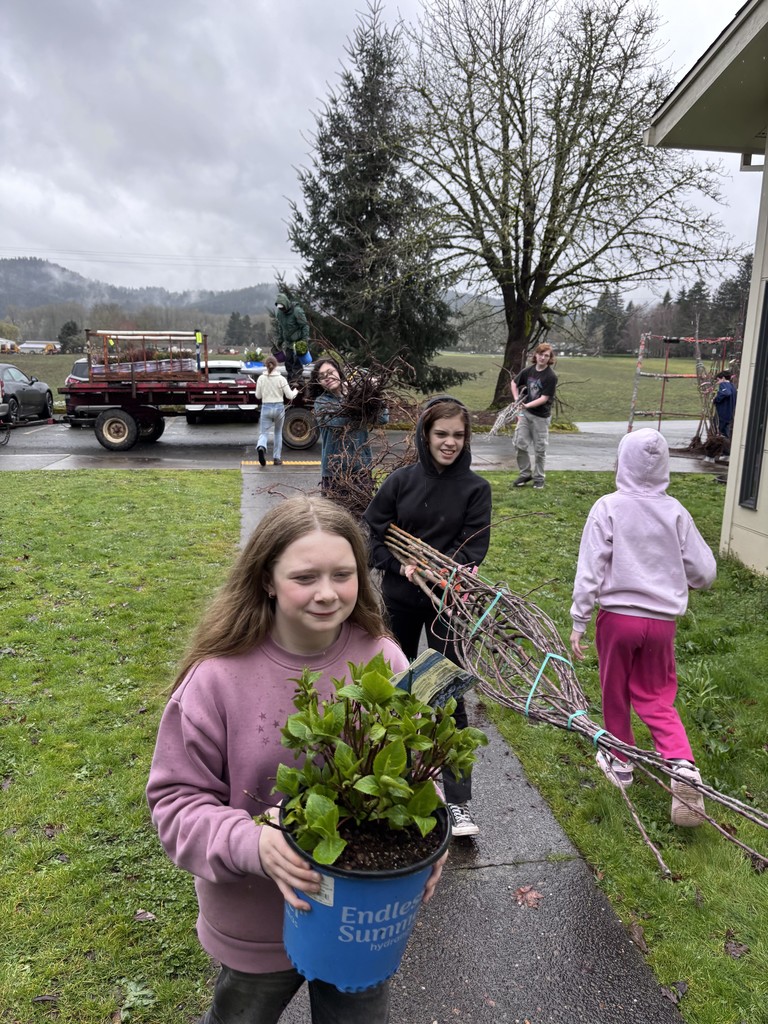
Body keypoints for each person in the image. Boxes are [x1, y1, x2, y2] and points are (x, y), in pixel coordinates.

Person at [146, 496, 446, 1024]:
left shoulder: (386, 659)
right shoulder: (217, 679)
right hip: (256, 923)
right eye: (304, 577)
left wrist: (431, 829)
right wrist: (253, 842)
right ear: (266, 578)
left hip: (360, 924)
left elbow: (418, 769)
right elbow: (176, 804)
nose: (328, 593)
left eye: (343, 574)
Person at [569, 428, 717, 827]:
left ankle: (620, 762)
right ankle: (682, 766)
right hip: (662, 624)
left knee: (614, 689)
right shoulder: (676, 513)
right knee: (656, 694)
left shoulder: (608, 507)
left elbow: (590, 569)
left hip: (617, 620)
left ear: (622, 462)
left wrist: (579, 620)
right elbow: (705, 571)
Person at [363, 397, 492, 838]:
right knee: (397, 690)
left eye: (458, 435)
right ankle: (394, 785)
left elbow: (472, 549)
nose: (450, 443)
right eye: (442, 434)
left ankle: (458, 803)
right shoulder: (399, 483)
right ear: (425, 435)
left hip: (446, 607)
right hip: (400, 600)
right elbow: (372, 534)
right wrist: (399, 566)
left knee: (448, 698)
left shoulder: (476, 490)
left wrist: (442, 572)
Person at [311, 357, 388, 508]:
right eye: (322, 377)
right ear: (318, 383)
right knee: (334, 522)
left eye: (330, 372)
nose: (327, 378)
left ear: (339, 372)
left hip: (361, 469)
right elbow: (336, 423)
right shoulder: (321, 403)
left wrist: (374, 393)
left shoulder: (360, 397)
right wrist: (355, 400)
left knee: (361, 517)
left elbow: (383, 418)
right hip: (334, 472)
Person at [510, 342, 558, 490]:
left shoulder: (551, 376)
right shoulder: (528, 371)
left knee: (540, 449)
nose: (543, 358)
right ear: (535, 355)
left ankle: (539, 478)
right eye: (540, 354)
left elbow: (544, 398)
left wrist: (526, 405)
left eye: (546, 356)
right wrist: (517, 400)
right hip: (526, 414)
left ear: (549, 358)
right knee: (520, 444)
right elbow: (513, 383)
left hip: (541, 418)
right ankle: (525, 474)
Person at [255, 355, 298, 466]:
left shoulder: (261, 378)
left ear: (266, 365)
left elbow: (258, 396)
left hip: (266, 407)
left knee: (263, 433)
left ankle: (261, 447)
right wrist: (296, 391)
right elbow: (290, 396)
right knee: (278, 433)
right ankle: (277, 458)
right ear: (276, 365)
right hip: (279, 408)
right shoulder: (281, 379)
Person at [274, 292, 310, 385]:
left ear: (286, 304)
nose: (282, 309)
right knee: (288, 363)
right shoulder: (280, 314)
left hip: (298, 341)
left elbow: (305, 326)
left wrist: (304, 340)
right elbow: (281, 327)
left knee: (297, 363)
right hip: (288, 342)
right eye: (280, 308)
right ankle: (290, 382)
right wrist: (280, 340)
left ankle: (299, 381)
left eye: (283, 307)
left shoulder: (297, 312)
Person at [712, 370, 737, 439]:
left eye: (718, 380)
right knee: (725, 433)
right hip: (729, 413)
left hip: (722, 413)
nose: (718, 382)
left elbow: (726, 393)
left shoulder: (724, 384)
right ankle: (726, 447)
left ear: (723, 378)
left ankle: (720, 447)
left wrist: (716, 399)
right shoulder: (732, 386)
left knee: (718, 431)